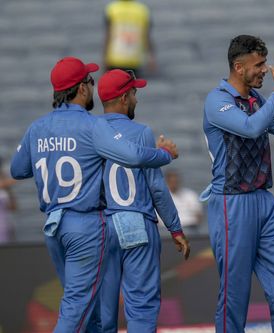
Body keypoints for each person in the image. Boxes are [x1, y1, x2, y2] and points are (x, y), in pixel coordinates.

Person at [9, 56, 175, 332]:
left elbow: (18, 169)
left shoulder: (36, 128)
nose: (91, 86)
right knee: (77, 308)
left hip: (53, 226)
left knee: (90, 309)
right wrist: (164, 154)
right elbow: (132, 156)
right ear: (82, 89)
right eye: (89, 80)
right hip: (85, 225)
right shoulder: (92, 125)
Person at [203, 35, 274, 332]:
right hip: (231, 202)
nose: (265, 69)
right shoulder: (217, 100)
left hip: (263, 202)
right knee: (235, 292)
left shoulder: (256, 99)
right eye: (259, 64)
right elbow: (251, 129)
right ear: (239, 67)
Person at [97, 69, 190, 332]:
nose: (137, 99)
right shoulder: (140, 133)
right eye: (135, 93)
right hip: (137, 222)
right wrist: (175, 229)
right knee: (142, 308)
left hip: (104, 226)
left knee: (104, 310)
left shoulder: (93, 131)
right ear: (124, 97)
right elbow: (157, 188)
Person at [103, 0, 156, 76]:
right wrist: (151, 57)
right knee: (133, 86)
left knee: (114, 86)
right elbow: (147, 36)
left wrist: (104, 59)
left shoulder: (112, 9)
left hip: (115, 59)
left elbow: (108, 35)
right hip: (134, 59)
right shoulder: (142, 10)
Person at [165, 169, 204, 234]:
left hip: (191, 227)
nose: (174, 184)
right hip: (168, 230)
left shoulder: (190, 194)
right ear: (167, 181)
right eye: (171, 181)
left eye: (175, 181)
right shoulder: (161, 198)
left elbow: (199, 215)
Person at [0, 157, 16, 243]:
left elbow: (13, 207)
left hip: (7, 227)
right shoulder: (5, 183)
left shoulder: (5, 185)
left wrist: (8, 188)